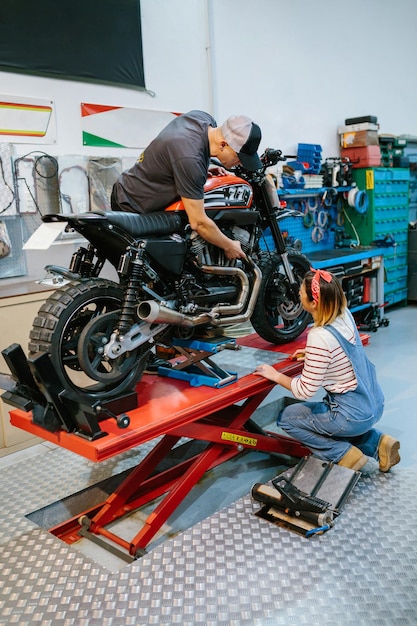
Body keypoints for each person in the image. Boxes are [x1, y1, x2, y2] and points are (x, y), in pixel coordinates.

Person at [254, 268, 401, 472]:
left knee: (287, 418)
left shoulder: (319, 336)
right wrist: (312, 354)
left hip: (351, 414)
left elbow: (305, 390)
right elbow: (339, 352)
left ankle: (343, 454)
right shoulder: (345, 314)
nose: (298, 295)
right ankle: (379, 444)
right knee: (331, 422)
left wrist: (275, 375)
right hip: (373, 402)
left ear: (314, 303)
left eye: (301, 294)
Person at [111, 109, 263, 260]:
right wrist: (229, 245)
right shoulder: (190, 160)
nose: (240, 163)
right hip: (132, 203)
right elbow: (199, 223)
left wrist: (203, 168)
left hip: (131, 184)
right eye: (239, 157)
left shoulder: (202, 118)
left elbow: (186, 150)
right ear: (223, 144)